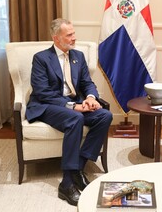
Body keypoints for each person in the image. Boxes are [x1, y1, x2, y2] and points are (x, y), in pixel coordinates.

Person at [26, 18, 113, 206]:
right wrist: (73, 106)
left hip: (75, 103)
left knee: (105, 116)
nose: (74, 38)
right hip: (48, 105)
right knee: (75, 118)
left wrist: (90, 97)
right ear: (56, 38)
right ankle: (66, 183)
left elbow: (86, 82)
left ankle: (77, 169)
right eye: (69, 35)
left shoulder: (78, 56)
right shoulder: (41, 58)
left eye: (74, 33)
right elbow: (42, 92)